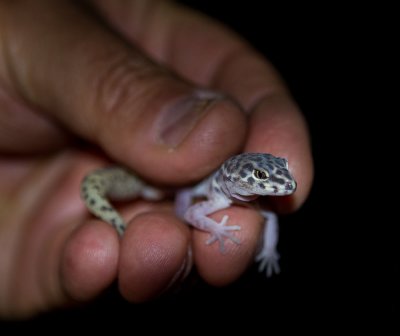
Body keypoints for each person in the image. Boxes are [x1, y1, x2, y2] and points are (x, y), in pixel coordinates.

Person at [0, 0, 313, 318]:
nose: (280, 184)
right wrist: (215, 231)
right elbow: (192, 213)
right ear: (237, 177)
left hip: (169, 178)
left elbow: (270, 218)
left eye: (276, 172)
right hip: (167, 170)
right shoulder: (218, 195)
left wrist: (270, 250)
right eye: (262, 177)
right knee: (175, 207)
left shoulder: (244, 197)